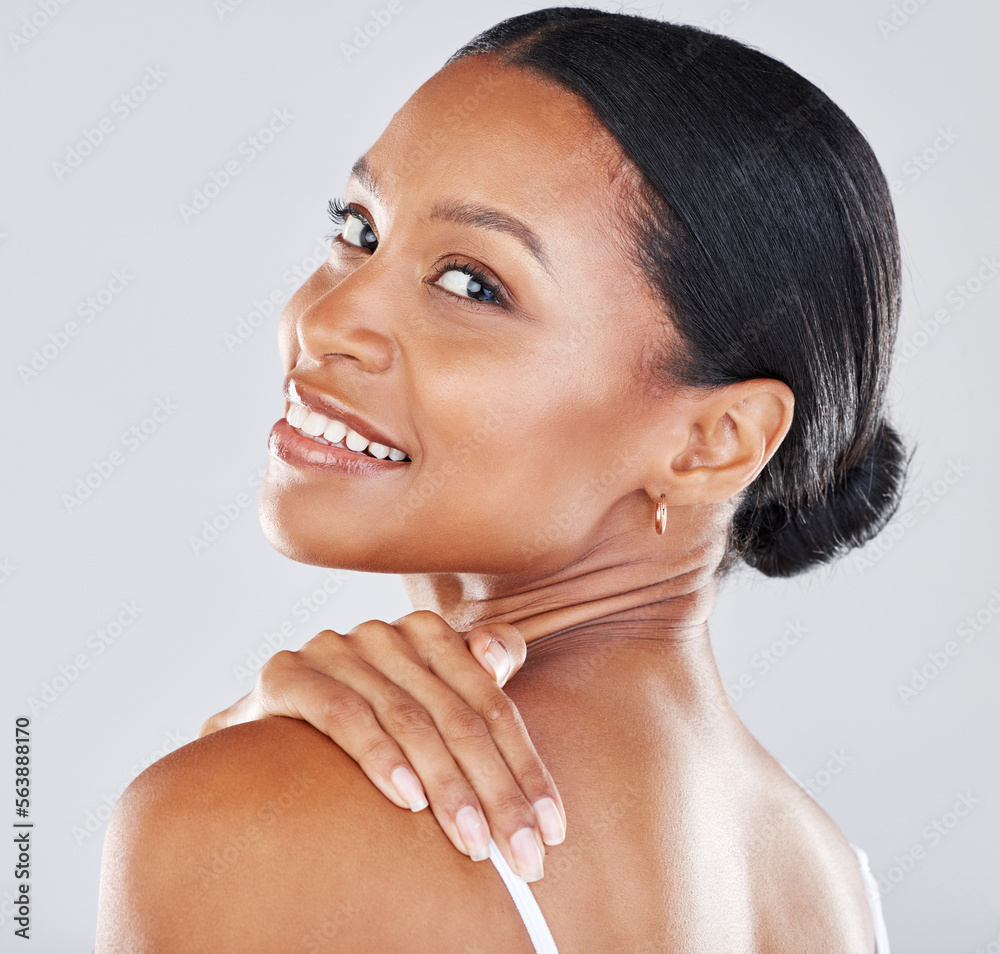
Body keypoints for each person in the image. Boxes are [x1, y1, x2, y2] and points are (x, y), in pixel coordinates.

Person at [95, 7, 906, 952]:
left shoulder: (242, 822)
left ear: (715, 441)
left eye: (471, 284)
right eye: (358, 229)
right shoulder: (830, 881)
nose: (328, 319)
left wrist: (228, 789)